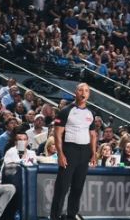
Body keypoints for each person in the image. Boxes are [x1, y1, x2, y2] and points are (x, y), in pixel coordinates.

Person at [50, 83, 97, 220]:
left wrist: (93, 153)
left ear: (89, 94)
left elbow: (93, 135)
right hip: (69, 150)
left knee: (78, 187)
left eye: (87, 91)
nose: (84, 93)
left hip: (85, 152)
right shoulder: (65, 111)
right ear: (76, 92)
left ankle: (72, 214)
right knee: (62, 187)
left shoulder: (91, 113)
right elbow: (57, 134)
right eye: (81, 90)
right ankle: (55, 216)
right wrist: (60, 154)